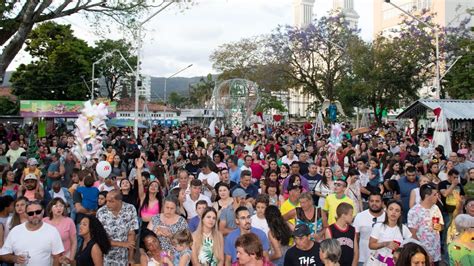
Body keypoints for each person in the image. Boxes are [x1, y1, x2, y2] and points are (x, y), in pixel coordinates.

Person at [0, 200, 64, 265]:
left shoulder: (52, 231)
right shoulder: (15, 231)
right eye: (30, 213)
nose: (34, 215)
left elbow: (57, 257)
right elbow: (2, 254)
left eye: (38, 212)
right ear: (26, 214)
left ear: (43, 211)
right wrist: (14, 258)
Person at [97, 189, 139, 265]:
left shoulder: (130, 209)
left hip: (124, 256)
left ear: (119, 201)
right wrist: (122, 244)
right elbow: (100, 237)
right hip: (106, 256)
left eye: (111, 201)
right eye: (107, 201)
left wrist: (131, 258)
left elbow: (131, 234)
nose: (107, 204)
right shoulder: (101, 212)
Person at [407, 183, 444, 265]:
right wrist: (426, 253)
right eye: (435, 194)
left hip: (436, 253)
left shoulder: (436, 208)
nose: (437, 197)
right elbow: (412, 235)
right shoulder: (414, 211)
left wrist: (439, 227)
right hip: (422, 256)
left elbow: (441, 226)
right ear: (427, 196)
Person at [369, 200, 412, 266]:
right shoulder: (378, 226)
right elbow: (371, 245)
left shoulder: (404, 229)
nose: (394, 212)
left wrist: (401, 250)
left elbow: (410, 245)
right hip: (377, 262)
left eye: (397, 210)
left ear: (400, 214)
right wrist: (386, 244)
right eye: (391, 209)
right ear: (386, 211)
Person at [353, 193, 386, 266]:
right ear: (368, 202)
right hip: (363, 258)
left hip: (383, 260)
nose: (374, 203)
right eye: (372, 201)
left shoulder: (387, 217)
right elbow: (355, 238)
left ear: (382, 203)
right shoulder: (360, 216)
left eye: (377, 201)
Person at [43, 197, 77, 262]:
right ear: (50, 209)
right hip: (48, 256)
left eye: (61, 206)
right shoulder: (44, 221)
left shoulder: (69, 221)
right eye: (56, 206)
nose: (59, 208)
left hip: (65, 256)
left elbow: (74, 242)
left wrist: (71, 259)